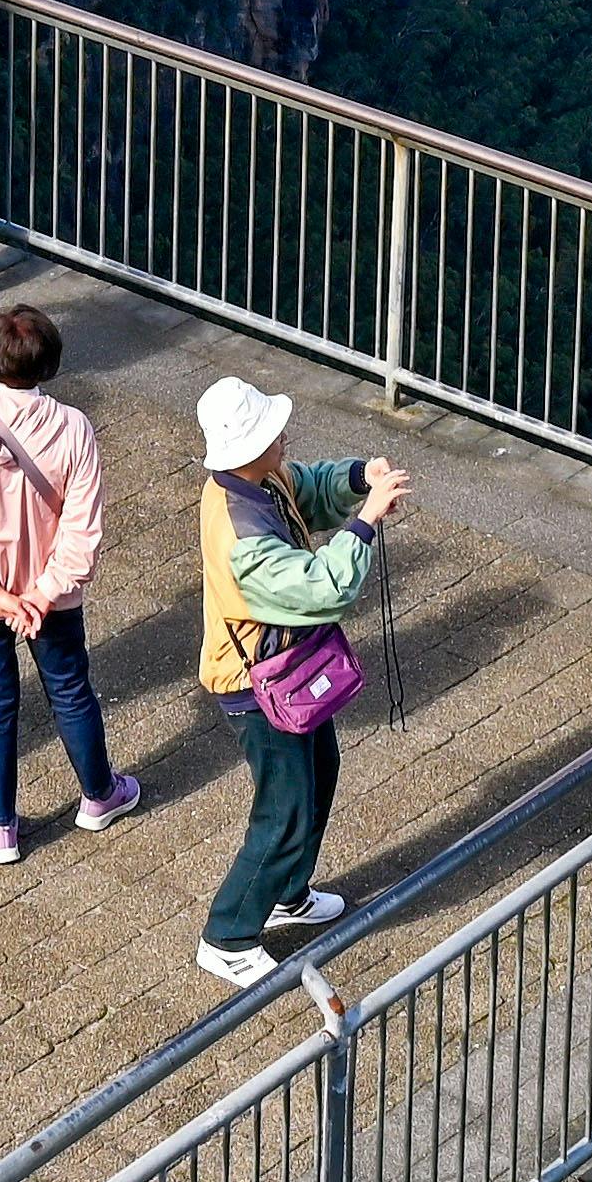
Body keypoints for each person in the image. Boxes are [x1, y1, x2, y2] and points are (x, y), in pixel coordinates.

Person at [189, 376, 404, 985]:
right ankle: (228, 934)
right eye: (272, 431)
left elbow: (308, 487)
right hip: (255, 683)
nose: (284, 437)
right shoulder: (242, 533)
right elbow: (321, 587)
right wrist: (364, 522)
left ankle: (289, 890)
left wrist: (358, 475)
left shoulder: (251, 480)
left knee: (319, 771)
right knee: (282, 806)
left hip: (286, 667)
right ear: (251, 445)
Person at [0, 302, 136, 863]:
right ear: (49, 364)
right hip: (54, 598)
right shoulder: (74, 428)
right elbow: (82, 527)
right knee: (70, 691)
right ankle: (99, 795)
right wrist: (42, 594)